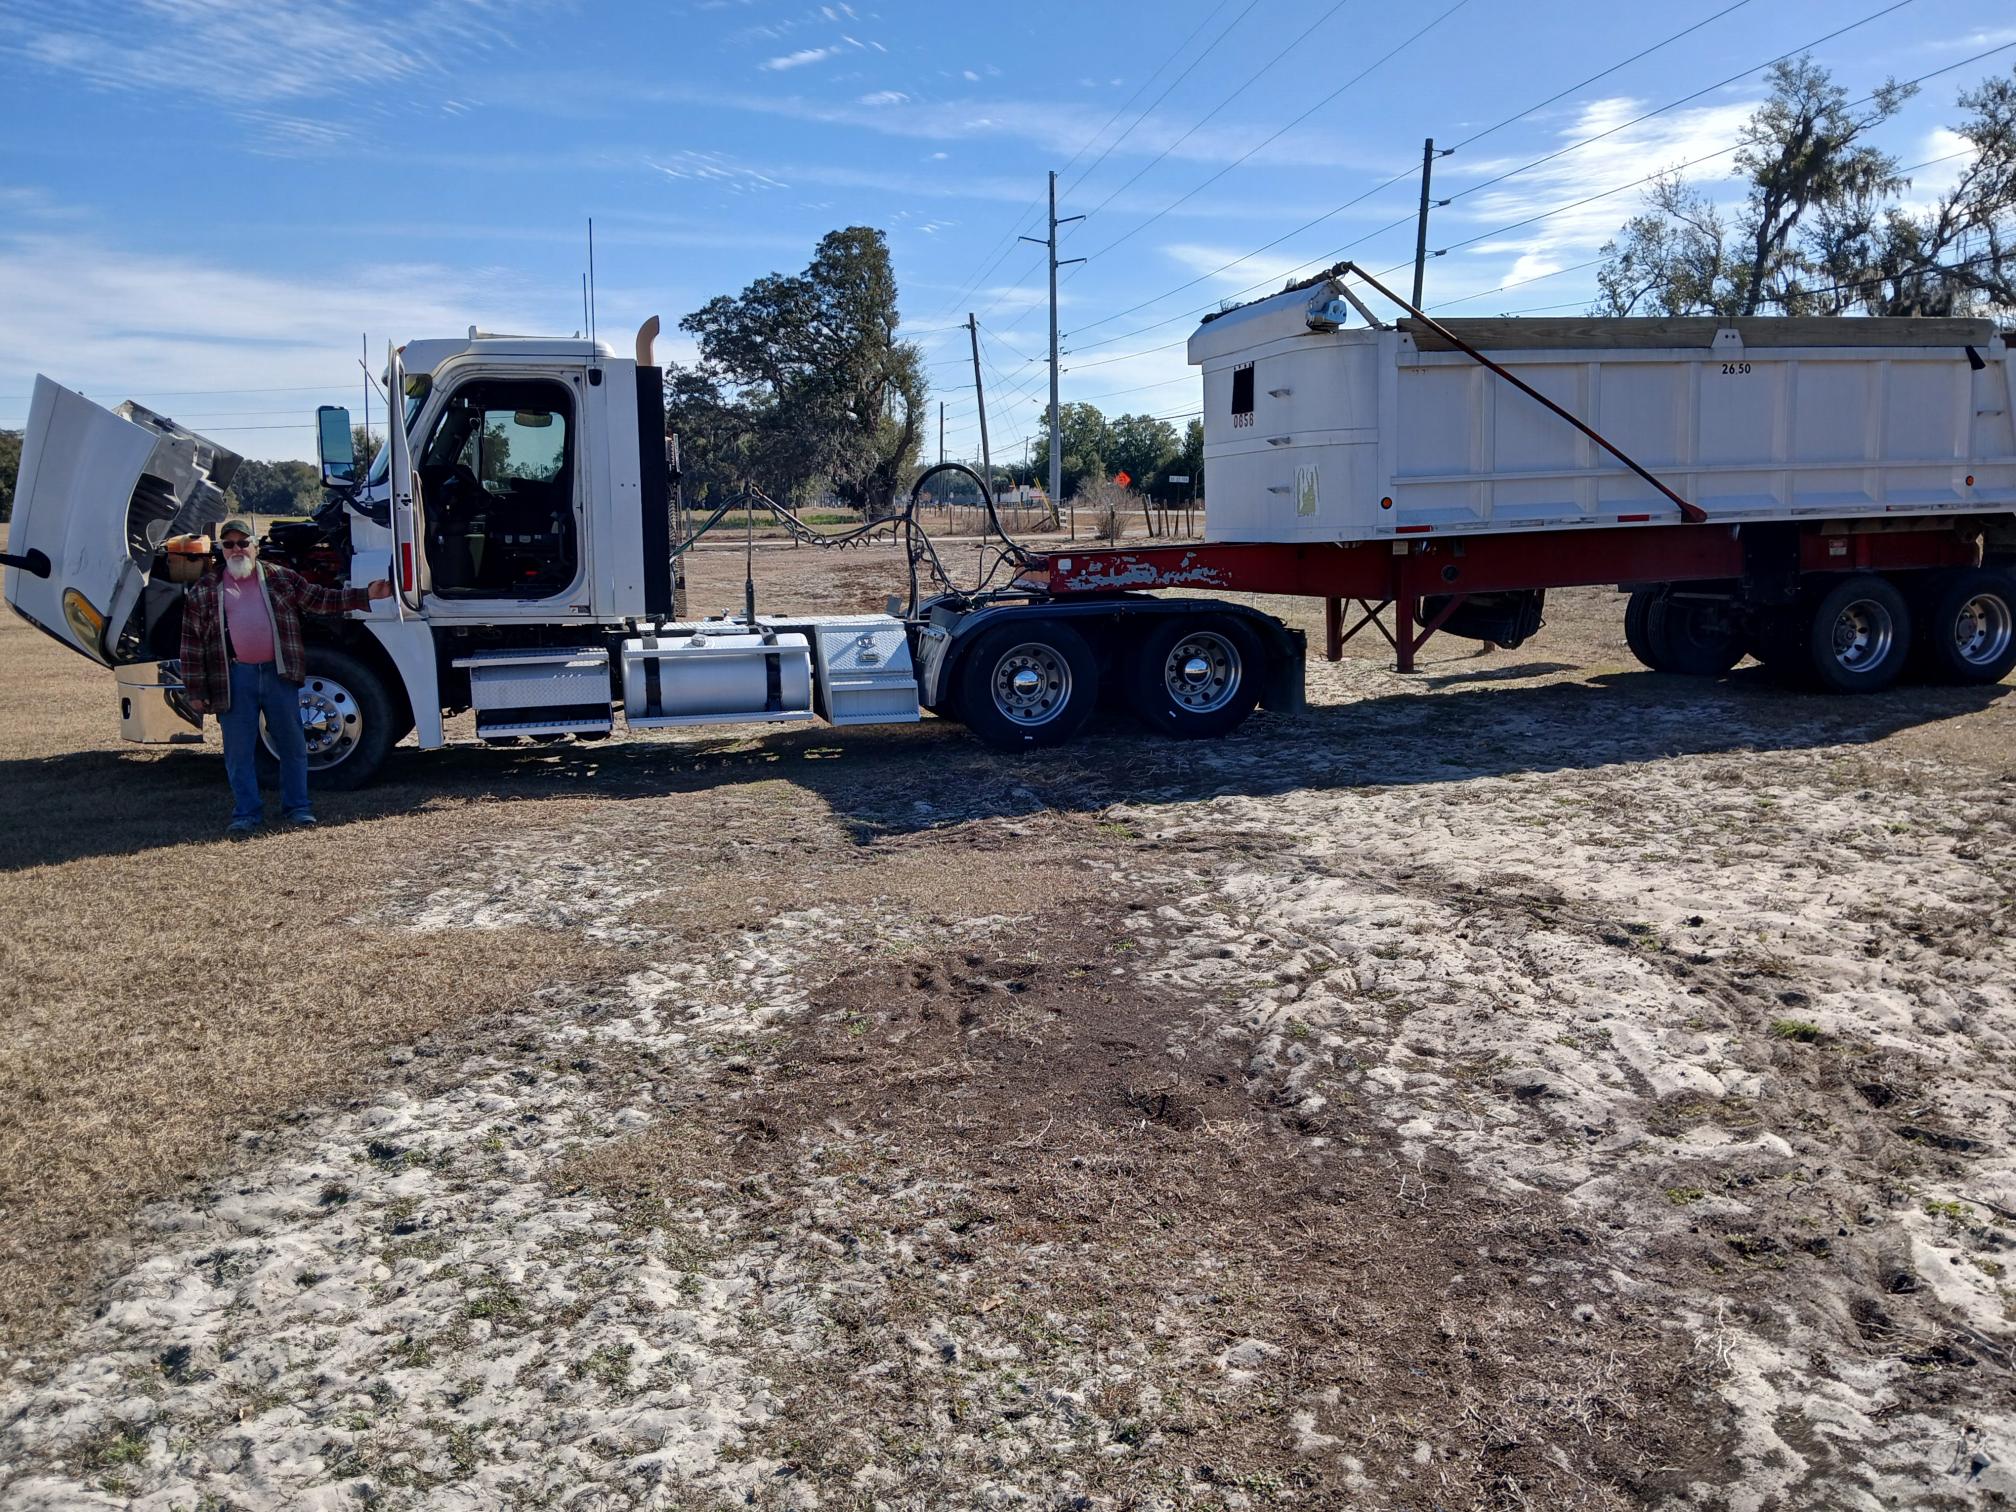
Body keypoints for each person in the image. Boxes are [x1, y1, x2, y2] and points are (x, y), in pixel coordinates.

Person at [178, 518, 393, 838]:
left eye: (242, 543)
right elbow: (192, 645)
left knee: (293, 746)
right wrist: (196, 690)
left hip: (278, 673)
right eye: (229, 544)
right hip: (234, 677)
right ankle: (247, 813)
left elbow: (320, 599)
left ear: (255, 546)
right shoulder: (205, 591)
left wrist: (366, 596)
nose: (236, 549)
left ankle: (297, 807)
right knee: (238, 753)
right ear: (221, 550)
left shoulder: (280, 578)